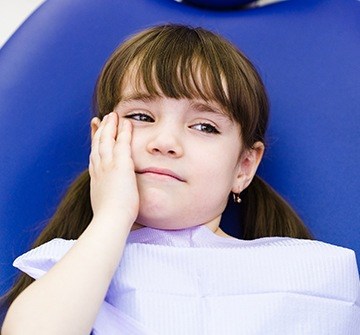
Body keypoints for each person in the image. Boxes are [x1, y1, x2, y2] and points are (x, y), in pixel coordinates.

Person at [1, 24, 359, 335]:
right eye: (141, 116)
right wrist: (112, 217)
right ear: (101, 139)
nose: (166, 143)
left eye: (204, 126)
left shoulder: (315, 273)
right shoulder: (71, 268)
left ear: (244, 166)